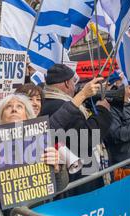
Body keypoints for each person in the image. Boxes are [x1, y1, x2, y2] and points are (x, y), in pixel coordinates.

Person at [39, 64, 113, 195]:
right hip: (80, 176)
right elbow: (85, 138)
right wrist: (103, 111)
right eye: (74, 82)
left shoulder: (47, 102)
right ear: (67, 83)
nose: (75, 86)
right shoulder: (60, 106)